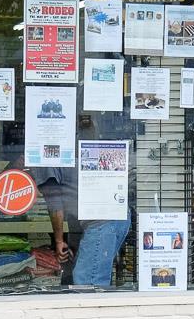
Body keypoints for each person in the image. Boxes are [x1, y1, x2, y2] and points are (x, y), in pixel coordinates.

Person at [34, 113, 133, 286]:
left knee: (88, 283)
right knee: (90, 277)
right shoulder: (73, 145)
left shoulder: (45, 156)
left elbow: (55, 202)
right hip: (114, 216)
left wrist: (58, 240)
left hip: (101, 221)